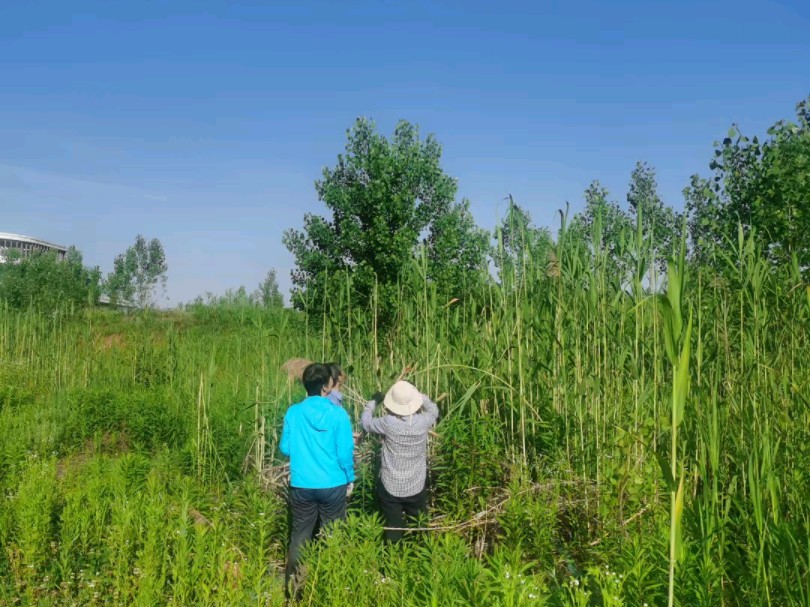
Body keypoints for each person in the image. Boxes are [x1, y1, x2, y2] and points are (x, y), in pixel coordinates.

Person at [280, 363, 355, 597]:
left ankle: (294, 591)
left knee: (300, 536)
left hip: (302, 484)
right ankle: (332, 586)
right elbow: (344, 452)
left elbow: (284, 448)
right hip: (332, 484)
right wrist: (350, 478)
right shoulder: (338, 414)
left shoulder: (293, 412)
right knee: (333, 534)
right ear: (326, 386)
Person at [361, 380, 439, 543]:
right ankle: (423, 555)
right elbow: (434, 410)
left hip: (391, 485)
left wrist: (372, 403)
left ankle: (393, 560)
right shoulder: (423, 421)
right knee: (420, 525)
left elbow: (366, 424)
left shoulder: (388, 423)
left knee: (393, 527)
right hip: (415, 484)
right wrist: (419, 396)